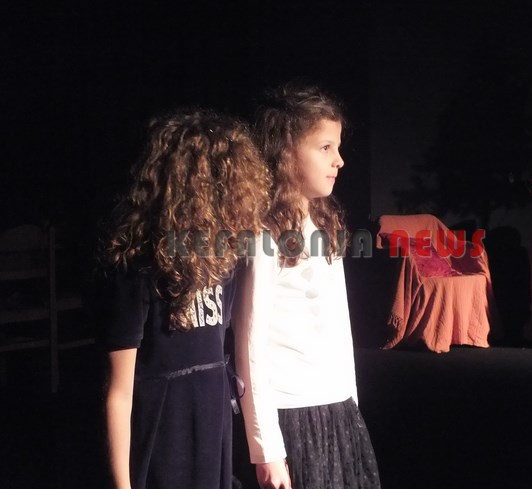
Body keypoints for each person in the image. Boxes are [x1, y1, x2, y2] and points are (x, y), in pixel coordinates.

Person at [97, 108, 271, 489]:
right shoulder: (138, 265)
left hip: (210, 424)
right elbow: (119, 393)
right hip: (162, 434)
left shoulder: (224, 260)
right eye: (228, 183)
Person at [233, 83, 382, 489]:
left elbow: (337, 323)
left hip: (335, 407)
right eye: (325, 148)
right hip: (293, 414)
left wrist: (350, 401)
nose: (339, 160)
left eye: (338, 147)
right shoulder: (264, 235)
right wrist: (266, 448)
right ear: (286, 152)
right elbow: (249, 344)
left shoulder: (322, 226)